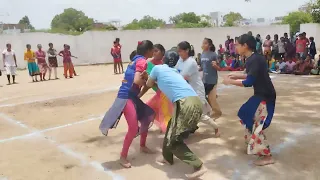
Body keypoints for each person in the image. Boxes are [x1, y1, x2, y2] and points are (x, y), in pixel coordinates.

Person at [139, 50, 207, 179]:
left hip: (185, 104)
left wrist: (145, 79)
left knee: (174, 141)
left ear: (163, 58)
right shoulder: (175, 72)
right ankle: (167, 157)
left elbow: (149, 84)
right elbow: (163, 84)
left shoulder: (158, 68)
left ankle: (198, 165)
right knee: (171, 126)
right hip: (194, 101)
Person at [99, 40, 155, 168]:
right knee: (134, 127)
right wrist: (147, 79)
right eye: (152, 49)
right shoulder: (142, 61)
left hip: (130, 96)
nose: (153, 51)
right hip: (126, 97)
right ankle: (123, 156)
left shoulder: (135, 59)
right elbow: (136, 80)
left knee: (146, 118)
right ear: (148, 51)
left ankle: (142, 146)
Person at [223, 34, 276, 166]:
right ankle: (252, 145)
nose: (236, 47)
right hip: (261, 94)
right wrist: (235, 75)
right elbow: (249, 74)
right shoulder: (254, 58)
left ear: (245, 45)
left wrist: (230, 81)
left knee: (256, 121)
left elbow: (248, 81)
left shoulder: (254, 59)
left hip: (265, 95)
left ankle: (267, 156)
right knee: (245, 112)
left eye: (238, 45)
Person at [175, 41, 220, 136]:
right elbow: (175, 71)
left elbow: (181, 77)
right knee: (184, 112)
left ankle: (216, 127)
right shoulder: (180, 60)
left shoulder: (191, 62)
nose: (179, 53)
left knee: (199, 115)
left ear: (187, 50)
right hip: (187, 91)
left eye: (180, 51)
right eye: (178, 51)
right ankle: (186, 130)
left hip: (196, 91)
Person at [145, 44, 172, 133]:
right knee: (150, 109)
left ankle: (167, 129)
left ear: (163, 52)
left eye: (156, 51)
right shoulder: (150, 64)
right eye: (153, 51)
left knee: (166, 112)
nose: (154, 53)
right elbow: (150, 80)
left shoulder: (166, 62)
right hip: (159, 93)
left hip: (167, 92)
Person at [200, 38, 223, 122]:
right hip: (204, 79)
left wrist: (215, 66)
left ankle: (217, 112)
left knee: (210, 97)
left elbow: (219, 68)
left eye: (205, 43)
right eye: (203, 43)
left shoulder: (213, 54)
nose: (203, 45)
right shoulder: (202, 54)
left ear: (209, 45)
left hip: (212, 79)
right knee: (204, 96)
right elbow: (202, 67)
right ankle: (210, 111)